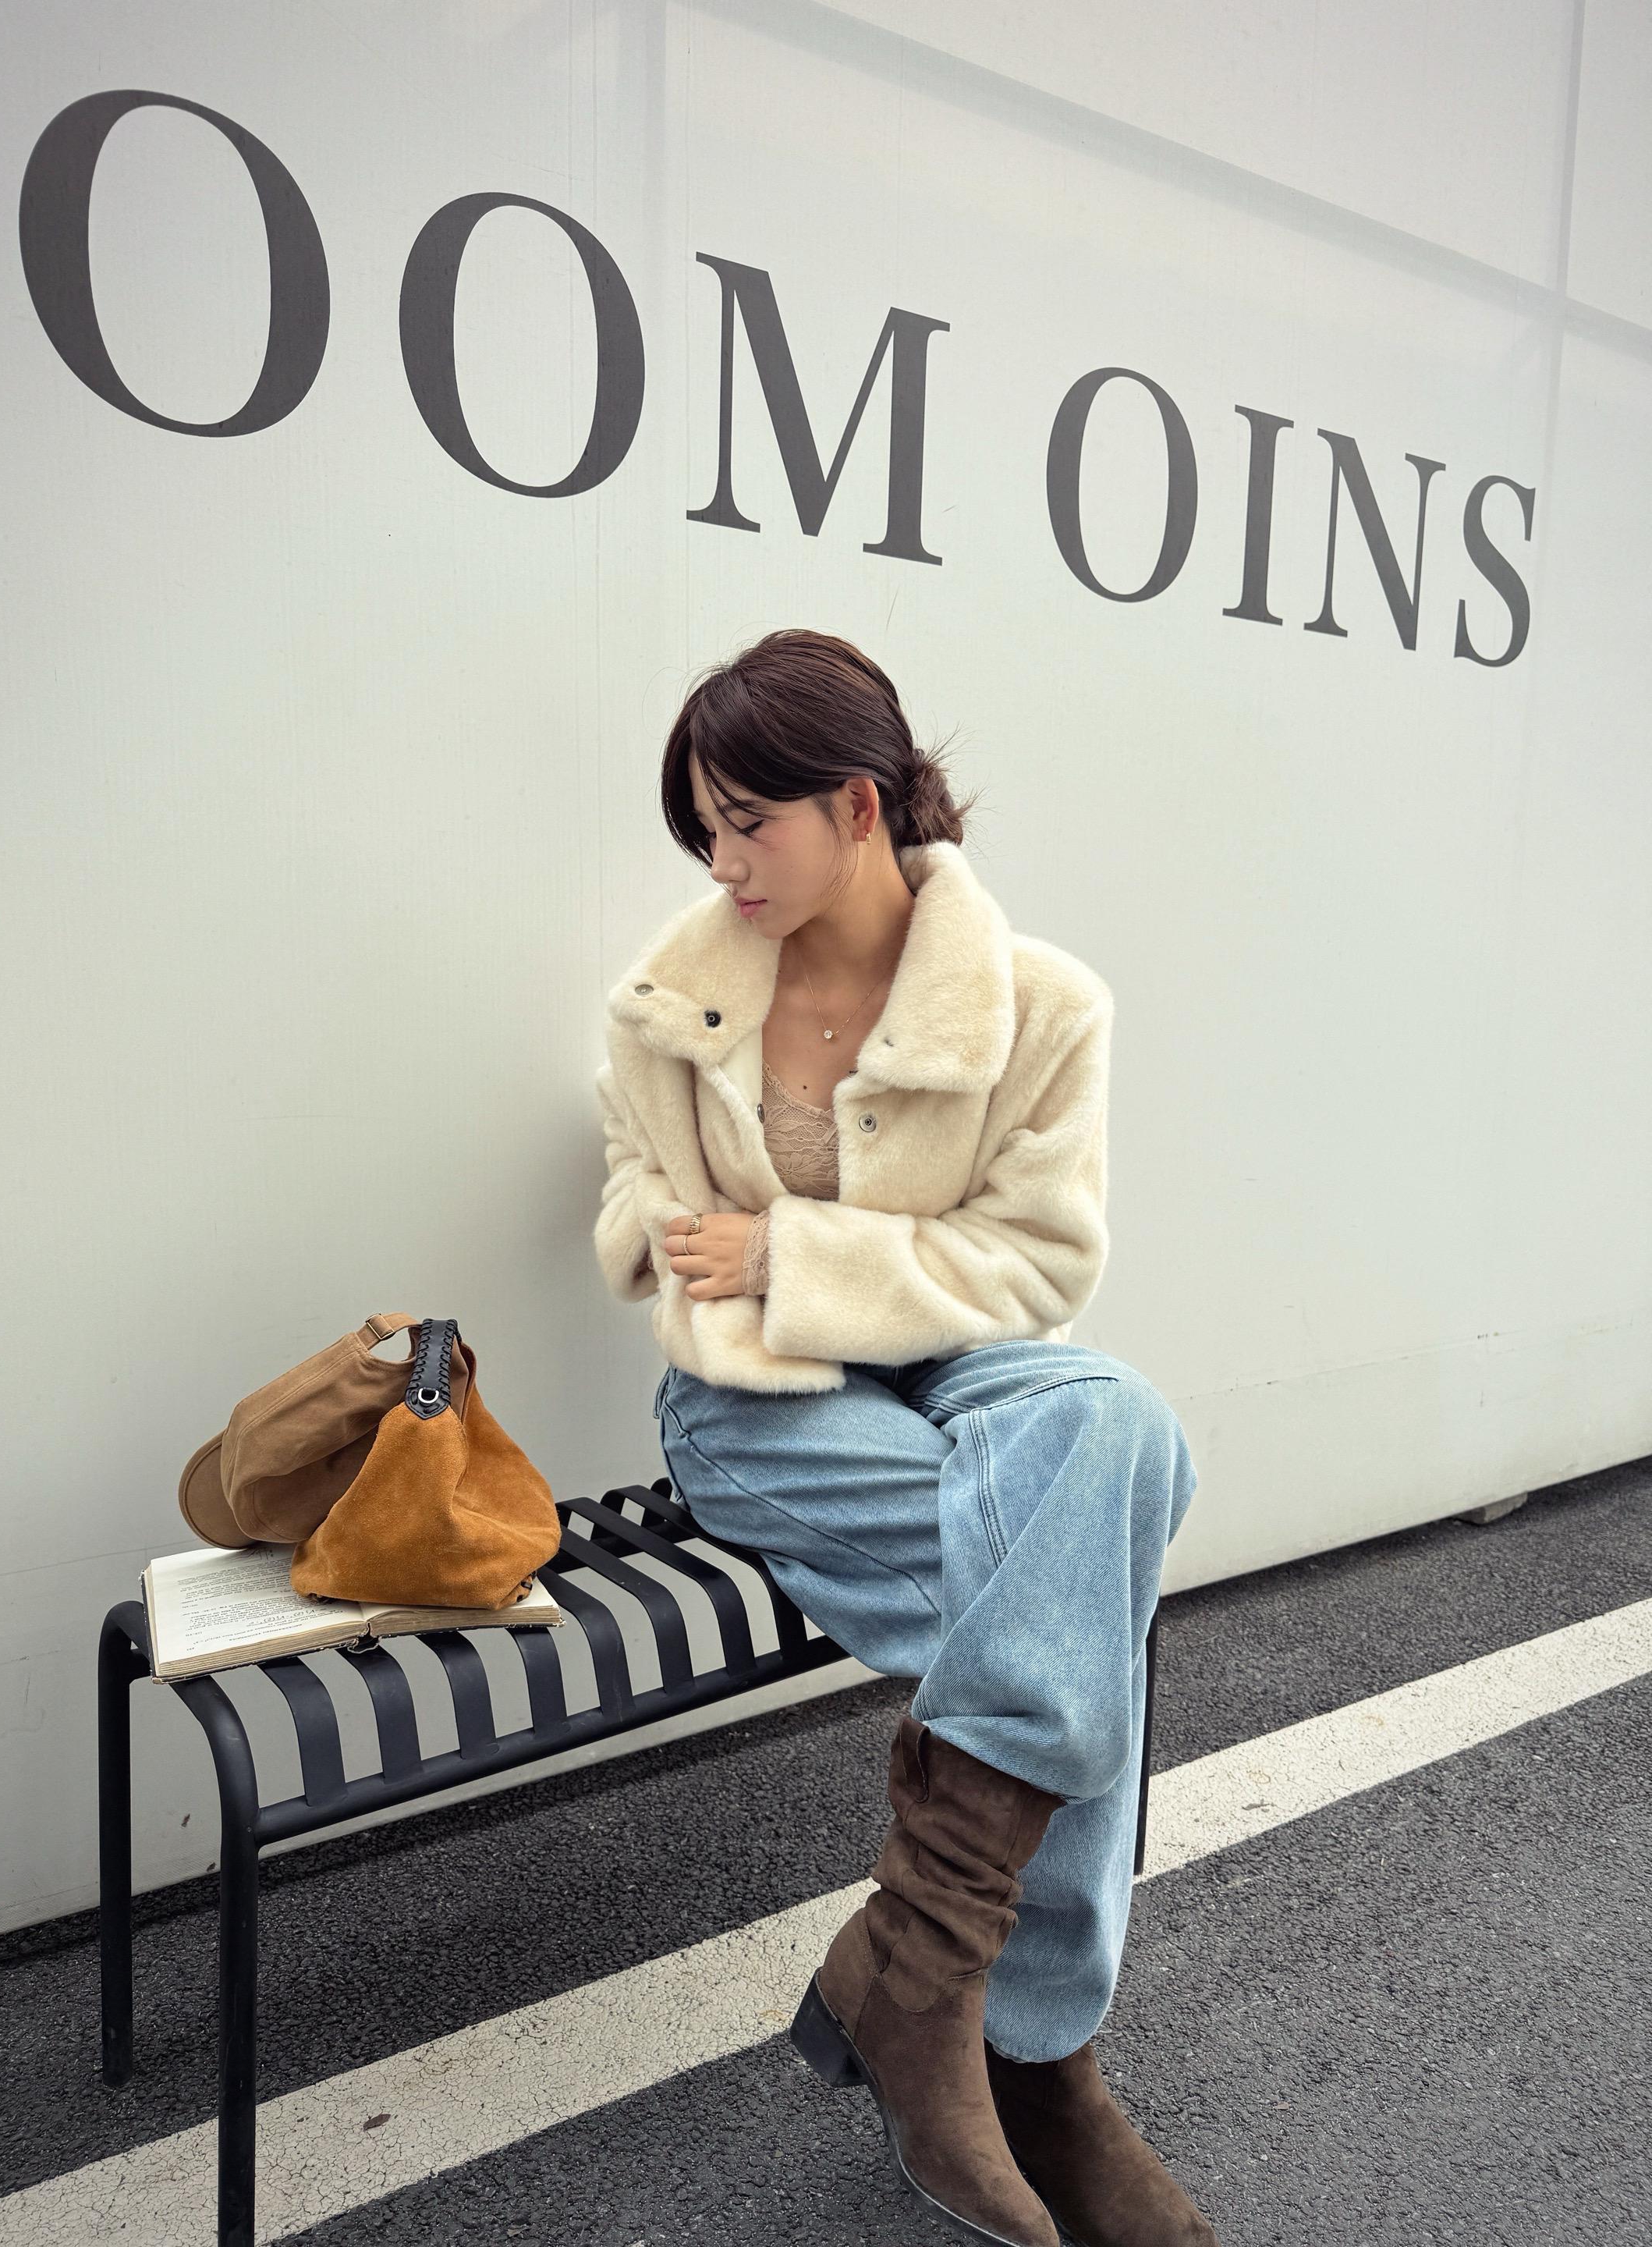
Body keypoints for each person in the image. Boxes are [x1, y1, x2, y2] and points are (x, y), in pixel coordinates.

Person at [593, 628, 1217, 2247]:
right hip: (756, 1397)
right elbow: (631, 1180)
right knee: (1074, 1613)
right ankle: (1038, 2059)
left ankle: (925, 1973)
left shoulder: (1040, 1006)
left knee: (1117, 1421)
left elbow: (1036, 1266)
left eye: (750, 824)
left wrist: (795, 1250)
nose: (723, 863)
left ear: (857, 806)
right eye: (705, 832)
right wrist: (669, 1236)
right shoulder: (670, 1004)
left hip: (962, 1366)